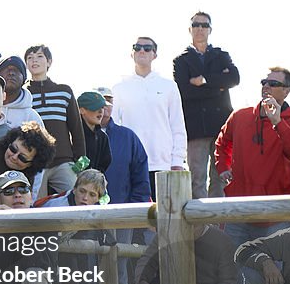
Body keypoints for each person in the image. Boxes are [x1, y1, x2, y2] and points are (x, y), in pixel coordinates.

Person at [215, 67, 290, 284]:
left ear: (285, 91)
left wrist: (278, 123)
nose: (266, 86)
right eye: (264, 81)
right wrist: (222, 167)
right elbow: (222, 142)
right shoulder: (240, 116)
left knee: (272, 275)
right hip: (237, 210)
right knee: (231, 269)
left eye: (273, 83)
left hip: (275, 216)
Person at [172, 11, 239, 199]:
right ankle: (200, 226)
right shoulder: (181, 60)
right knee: (197, 178)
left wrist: (203, 80)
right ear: (189, 29)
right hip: (195, 127)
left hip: (222, 126)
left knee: (221, 177)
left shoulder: (221, 55)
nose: (200, 29)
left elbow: (234, 78)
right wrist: (218, 86)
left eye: (204, 25)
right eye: (196, 25)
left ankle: (218, 223)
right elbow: (184, 91)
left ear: (210, 29)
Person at [111, 37, 188, 199]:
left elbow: (177, 126)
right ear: (131, 53)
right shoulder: (119, 88)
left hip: (163, 163)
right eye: (137, 47)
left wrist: (177, 161)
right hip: (131, 164)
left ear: (155, 55)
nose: (141, 51)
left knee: (167, 216)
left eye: (147, 48)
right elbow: (113, 128)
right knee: (133, 215)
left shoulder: (169, 86)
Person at [94, 86, 150, 284]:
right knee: (87, 262)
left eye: (108, 101)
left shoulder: (128, 137)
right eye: (98, 101)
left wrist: (135, 210)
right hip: (85, 212)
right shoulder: (78, 136)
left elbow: (140, 176)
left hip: (121, 212)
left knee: (119, 264)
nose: (103, 106)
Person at [25, 45, 86, 198]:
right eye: (30, 58)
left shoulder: (64, 91)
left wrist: (81, 163)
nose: (34, 61)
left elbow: (76, 129)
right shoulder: (23, 94)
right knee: (36, 208)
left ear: (49, 62)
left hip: (63, 161)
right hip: (34, 162)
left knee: (77, 200)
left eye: (39, 56)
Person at [136, 224, 237, 284]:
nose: (190, 230)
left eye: (194, 226)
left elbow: (228, 282)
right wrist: (142, 280)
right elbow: (147, 260)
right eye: (186, 226)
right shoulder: (167, 235)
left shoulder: (222, 241)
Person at [0, 122, 56, 210]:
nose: (14, 157)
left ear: (32, 163)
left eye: (22, 158)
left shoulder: (27, 177)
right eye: (13, 149)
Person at [77, 91, 111, 173]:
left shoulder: (103, 137)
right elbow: (72, 166)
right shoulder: (73, 134)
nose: (101, 111)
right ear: (81, 110)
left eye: (102, 107)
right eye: (95, 107)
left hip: (95, 182)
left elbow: (105, 162)